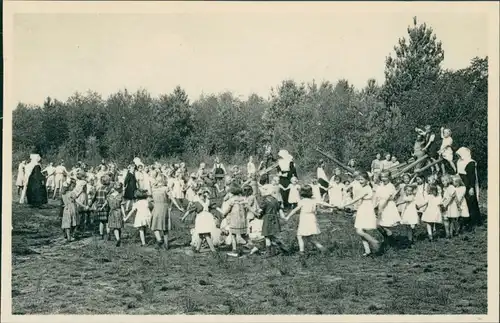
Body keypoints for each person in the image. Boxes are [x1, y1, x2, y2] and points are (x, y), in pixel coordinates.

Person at [286, 186, 335, 257]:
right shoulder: (313, 200)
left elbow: (295, 210)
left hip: (304, 218)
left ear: (302, 193)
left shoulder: (302, 201)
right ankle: (323, 249)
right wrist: (331, 206)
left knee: (299, 235)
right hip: (312, 218)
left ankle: (301, 252)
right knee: (309, 237)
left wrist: (288, 217)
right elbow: (322, 203)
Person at [340, 172, 380, 256]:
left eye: (362, 179)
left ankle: (374, 241)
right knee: (361, 230)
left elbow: (356, 199)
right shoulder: (365, 187)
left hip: (366, 209)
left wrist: (344, 205)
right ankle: (367, 250)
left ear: (367, 180)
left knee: (359, 230)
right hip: (362, 208)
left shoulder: (366, 188)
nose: (360, 181)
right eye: (359, 179)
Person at [456, 147, 482, 227]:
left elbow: (472, 176)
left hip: (468, 183)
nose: (459, 157)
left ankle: (475, 220)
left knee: (471, 202)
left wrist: (471, 187)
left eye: (460, 155)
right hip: (462, 183)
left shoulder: (470, 162)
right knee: (464, 202)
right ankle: (466, 219)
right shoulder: (459, 161)